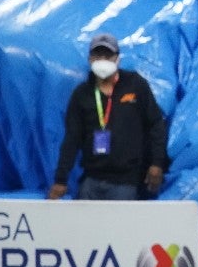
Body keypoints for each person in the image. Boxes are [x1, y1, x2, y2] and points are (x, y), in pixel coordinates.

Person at [48, 33, 168, 201]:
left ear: (117, 58)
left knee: (120, 226)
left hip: (126, 181)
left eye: (108, 55)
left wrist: (157, 163)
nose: (103, 59)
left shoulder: (135, 85)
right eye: (98, 55)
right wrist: (60, 179)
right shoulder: (82, 94)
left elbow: (155, 124)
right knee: (84, 226)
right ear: (90, 59)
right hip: (91, 178)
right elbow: (71, 139)